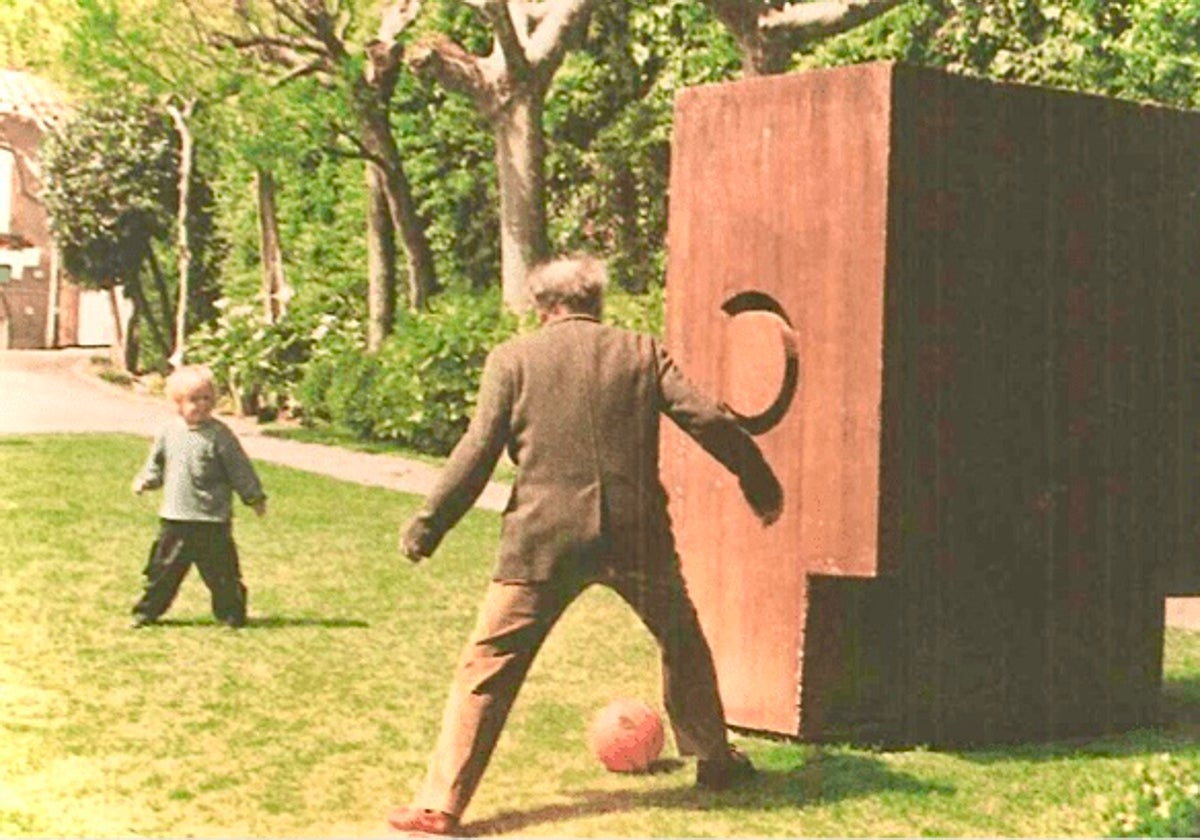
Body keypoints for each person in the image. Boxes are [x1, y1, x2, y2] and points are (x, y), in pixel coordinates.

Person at [388, 254, 783, 836]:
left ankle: (441, 804)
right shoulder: (641, 352)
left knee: (489, 664)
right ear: (595, 302)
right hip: (636, 533)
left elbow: (476, 453)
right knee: (682, 639)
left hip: (541, 539)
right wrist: (758, 478)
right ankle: (715, 761)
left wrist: (428, 524)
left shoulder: (513, 358)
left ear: (541, 306)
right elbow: (707, 418)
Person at [130, 364, 267, 629]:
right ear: (178, 403)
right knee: (163, 570)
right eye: (194, 400)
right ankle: (146, 612)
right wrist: (145, 481)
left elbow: (240, 469)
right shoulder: (168, 433)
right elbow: (156, 465)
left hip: (211, 519)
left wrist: (254, 497)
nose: (202, 405)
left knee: (222, 573)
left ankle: (231, 615)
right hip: (176, 517)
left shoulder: (220, 435)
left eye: (207, 399)